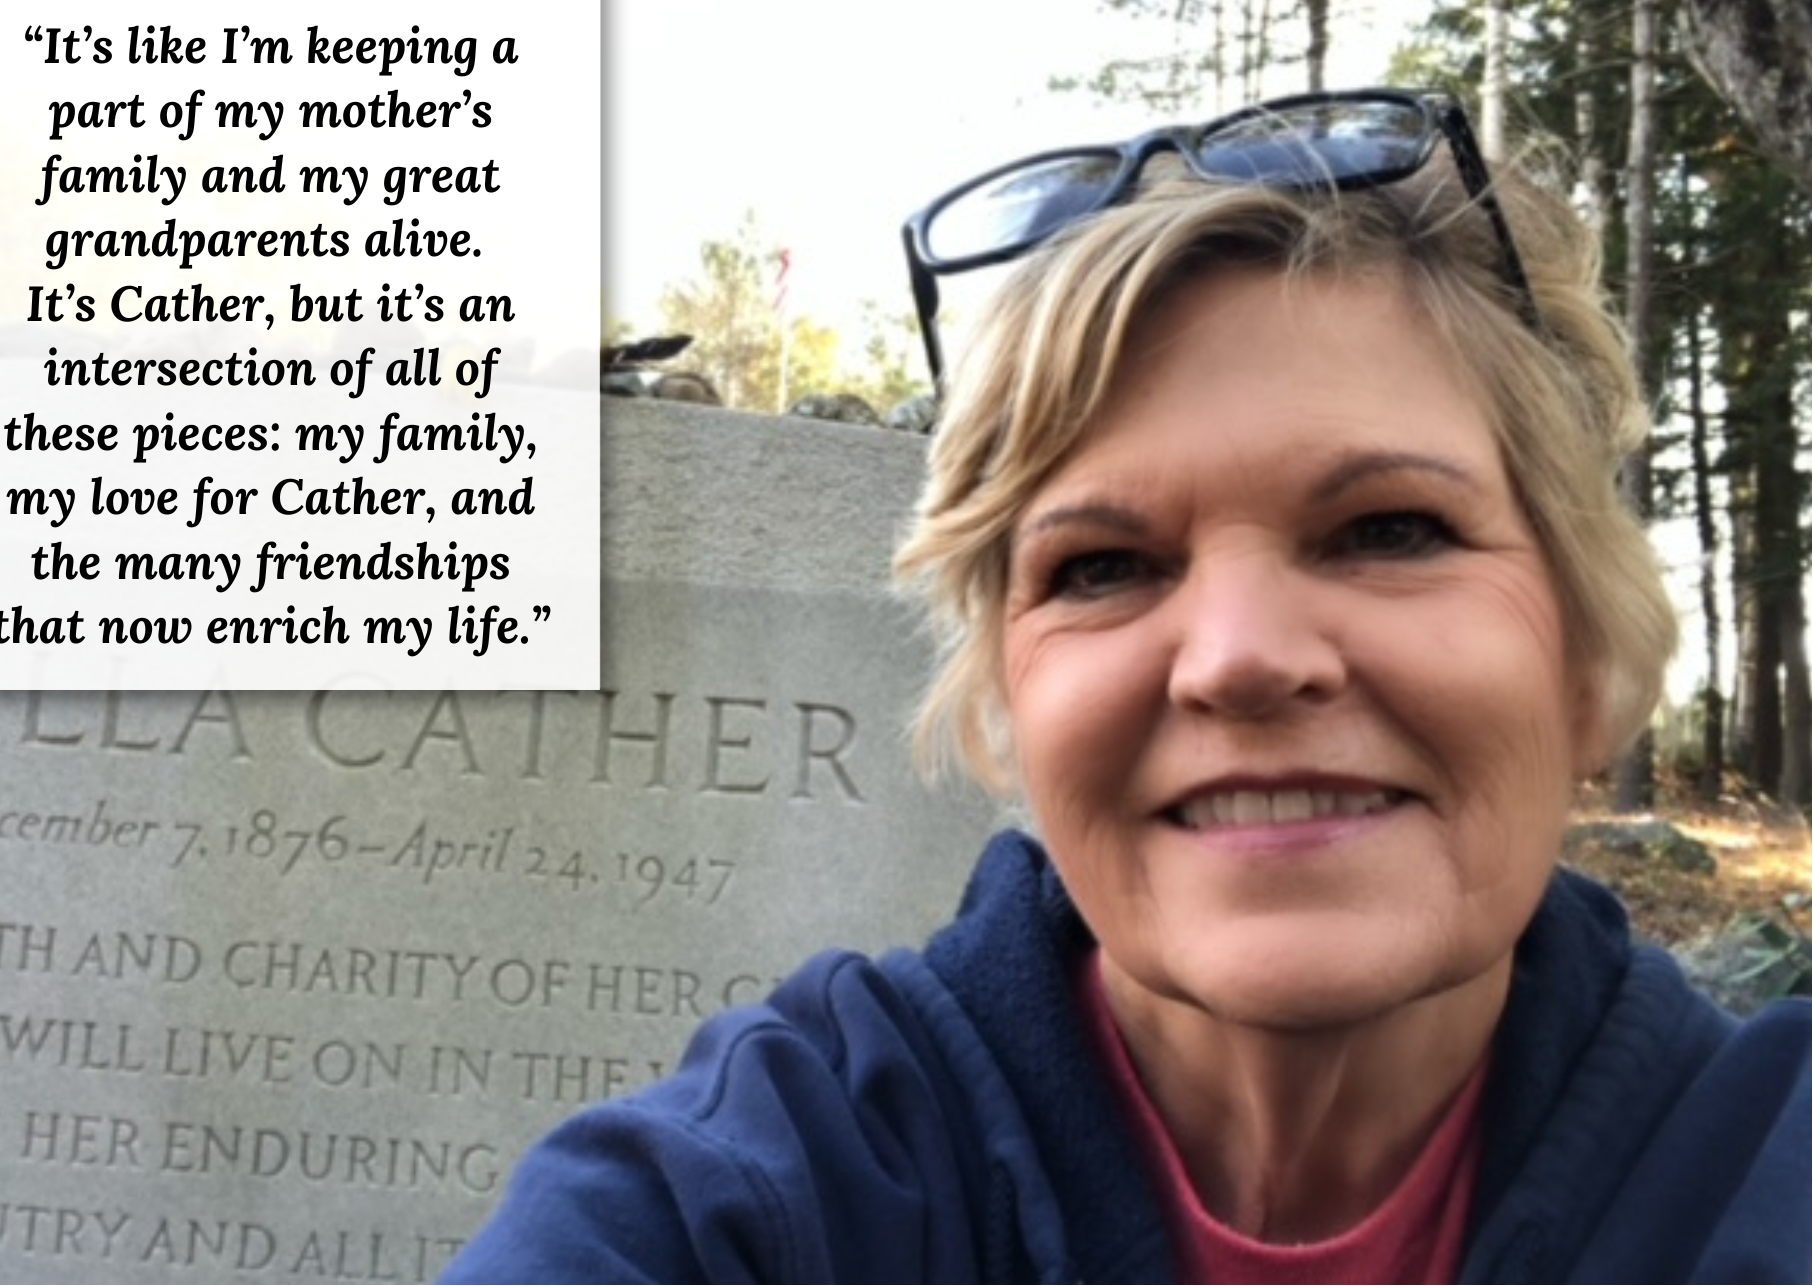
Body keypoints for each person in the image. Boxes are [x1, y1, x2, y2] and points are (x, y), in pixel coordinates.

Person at [441, 89, 1810, 1283]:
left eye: (1390, 530)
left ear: (1585, 650)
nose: (1236, 656)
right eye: (1102, 566)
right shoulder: (753, 1195)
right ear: (1007, 695)